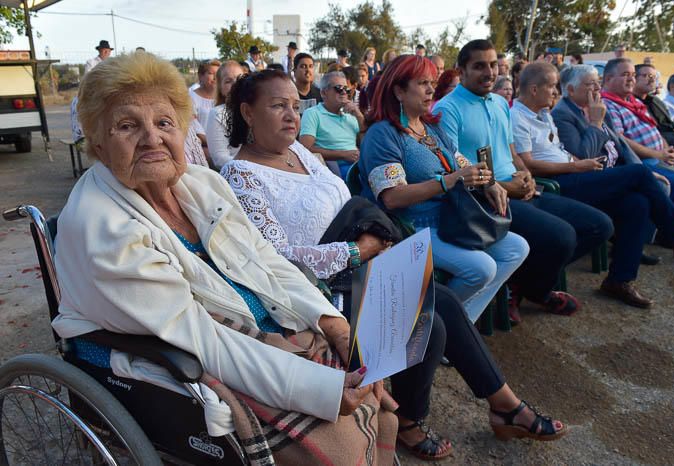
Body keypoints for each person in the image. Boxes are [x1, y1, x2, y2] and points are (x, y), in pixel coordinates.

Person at [55, 52, 397, 465]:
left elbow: (267, 260)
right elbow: (201, 339)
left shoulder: (200, 184)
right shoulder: (102, 227)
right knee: (338, 447)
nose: (152, 138)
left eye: (164, 123)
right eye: (127, 126)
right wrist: (320, 389)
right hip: (172, 357)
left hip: (252, 324)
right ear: (97, 143)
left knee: (368, 377)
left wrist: (332, 323)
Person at [222, 67, 568, 459]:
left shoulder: (298, 152)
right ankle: (434, 417)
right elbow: (278, 260)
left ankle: (500, 405)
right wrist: (358, 251)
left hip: (364, 264)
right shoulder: (240, 175)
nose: (291, 115)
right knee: (432, 318)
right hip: (320, 294)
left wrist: (373, 244)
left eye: (295, 106)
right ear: (249, 113)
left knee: (444, 303)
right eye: (277, 106)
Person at [434, 40, 611, 322]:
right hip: (485, 200)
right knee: (561, 236)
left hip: (521, 189)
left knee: (599, 225)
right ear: (461, 70)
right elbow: (452, 167)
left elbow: (510, 148)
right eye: (479, 66)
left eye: (493, 64)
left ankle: (526, 285)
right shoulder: (448, 109)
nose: (489, 72)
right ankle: (535, 289)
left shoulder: (500, 103)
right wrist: (505, 186)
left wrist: (525, 174)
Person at [361, 54, 529, 323]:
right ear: (398, 90)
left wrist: (490, 182)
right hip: (411, 228)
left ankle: (458, 326)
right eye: (422, 83)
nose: (431, 89)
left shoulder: (431, 128)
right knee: (481, 268)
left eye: (432, 82)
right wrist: (447, 181)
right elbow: (392, 198)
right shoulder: (383, 134)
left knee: (516, 249)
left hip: (451, 220)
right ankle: (428, 324)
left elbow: (462, 164)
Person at [521, 63, 674, 307]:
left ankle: (619, 280)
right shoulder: (564, 114)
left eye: (597, 82)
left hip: (588, 173)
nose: (596, 88)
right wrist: (595, 124)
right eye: (590, 84)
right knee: (639, 175)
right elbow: (584, 154)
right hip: (564, 182)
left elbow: (618, 145)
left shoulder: (551, 114)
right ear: (571, 90)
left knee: (637, 203)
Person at [602, 58, 674, 231]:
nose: (631, 79)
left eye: (632, 75)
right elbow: (621, 141)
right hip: (641, 161)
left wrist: (664, 148)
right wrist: (657, 155)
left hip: (660, 155)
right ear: (608, 79)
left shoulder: (635, 102)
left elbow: (654, 129)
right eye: (625, 75)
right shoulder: (608, 104)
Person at [299, 71, 365, 179]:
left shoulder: (351, 115)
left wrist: (359, 116)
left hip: (357, 165)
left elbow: (365, 143)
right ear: (324, 93)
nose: (344, 92)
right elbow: (305, 149)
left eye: (346, 89)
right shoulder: (313, 113)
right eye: (339, 88)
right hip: (333, 168)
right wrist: (343, 154)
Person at [205, 61, 244, 170]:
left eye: (239, 78)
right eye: (228, 81)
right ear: (221, 88)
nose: (235, 84)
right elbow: (220, 159)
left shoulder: (257, 109)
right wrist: (252, 168)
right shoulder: (218, 114)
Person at [189, 60, 220, 155]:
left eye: (218, 74)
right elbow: (193, 125)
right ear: (200, 76)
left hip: (222, 145)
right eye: (211, 73)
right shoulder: (190, 97)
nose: (215, 77)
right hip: (202, 146)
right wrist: (211, 143)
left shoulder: (225, 97)